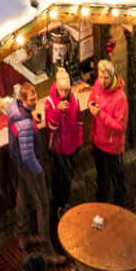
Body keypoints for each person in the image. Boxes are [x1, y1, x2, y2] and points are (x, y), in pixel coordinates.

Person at [3, 82, 50, 245]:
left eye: (35, 97)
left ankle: (22, 235)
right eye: (31, 100)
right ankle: (47, 249)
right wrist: (39, 171)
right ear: (22, 101)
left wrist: (30, 115)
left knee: (22, 197)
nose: (35, 102)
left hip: (19, 164)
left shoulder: (14, 109)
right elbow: (28, 155)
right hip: (30, 166)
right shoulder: (25, 125)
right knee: (42, 205)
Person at [40, 66, 84, 223]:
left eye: (66, 90)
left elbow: (79, 120)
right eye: (61, 90)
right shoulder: (50, 102)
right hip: (58, 148)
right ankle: (59, 205)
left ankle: (65, 203)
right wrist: (58, 112)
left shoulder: (75, 98)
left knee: (69, 176)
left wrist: (79, 140)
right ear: (56, 87)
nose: (63, 94)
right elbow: (51, 128)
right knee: (59, 178)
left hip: (72, 145)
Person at [84, 60, 129, 207]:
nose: (102, 81)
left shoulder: (120, 98)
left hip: (112, 147)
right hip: (98, 142)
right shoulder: (97, 84)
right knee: (102, 178)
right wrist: (90, 106)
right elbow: (91, 99)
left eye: (106, 78)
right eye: (100, 77)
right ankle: (102, 206)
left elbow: (120, 126)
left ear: (112, 76)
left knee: (117, 180)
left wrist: (100, 115)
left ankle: (119, 208)